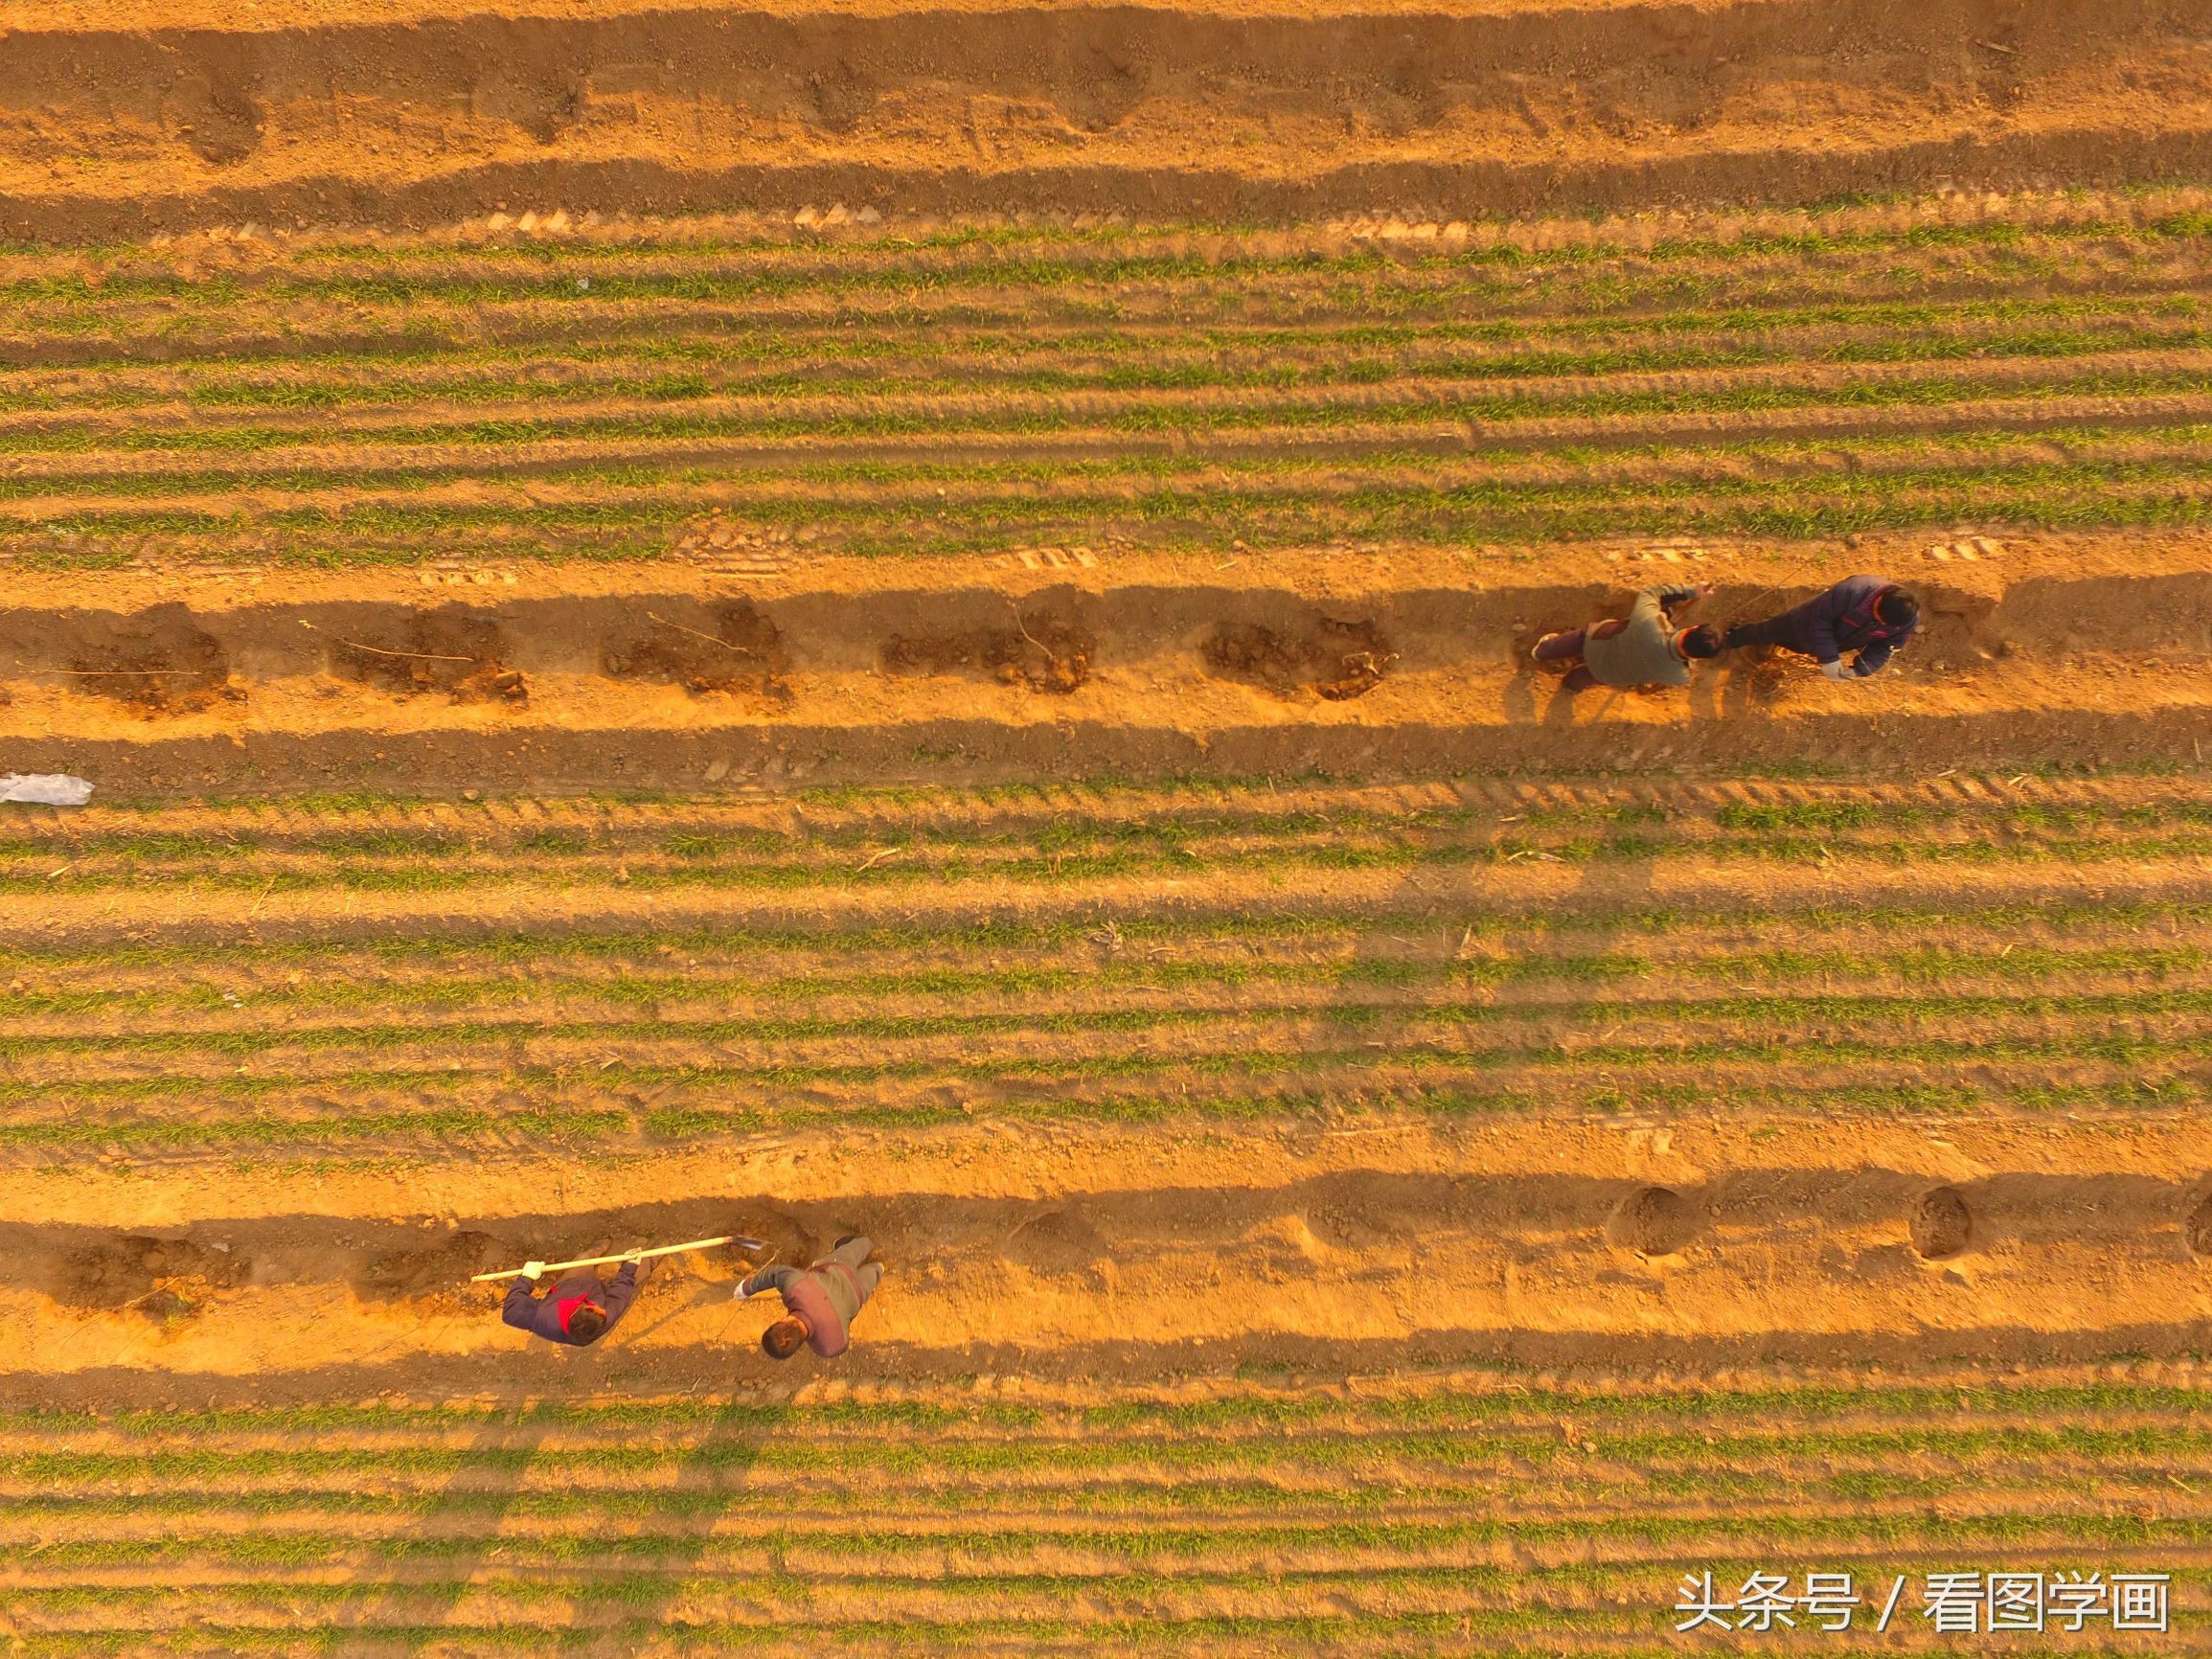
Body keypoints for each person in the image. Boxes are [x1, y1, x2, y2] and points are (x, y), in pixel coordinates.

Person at [1722, 576, 1920, 680]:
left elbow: (1886, 648)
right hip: (1801, 622)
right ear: (1878, 600)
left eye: (1885, 624)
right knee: (1766, 631)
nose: (1880, 624)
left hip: (1831, 643)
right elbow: (1820, 621)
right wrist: (1830, 659)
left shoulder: (1905, 620)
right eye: (1878, 617)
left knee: (1797, 647)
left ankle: (1772, 644)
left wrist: (1861, 669)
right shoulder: (1852, 591)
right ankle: (1733, 638)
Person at [1531, 582, 1720, 692]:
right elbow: (1684, 666)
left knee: (1580, 639)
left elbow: (1653, 593)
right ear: (1697, 657)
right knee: (1586, 677)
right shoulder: (1680, 676)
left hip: (1596, 644)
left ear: (1690, 630)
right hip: (1609, 675)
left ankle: (1542, 652)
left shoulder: (1650, 623)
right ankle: (1569, 685)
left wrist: (1692, 592)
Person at [736, 1235, 881, 1359]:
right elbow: (775, 1273)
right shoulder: (796, 1288)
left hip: (856, 1295)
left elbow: (843, 1344)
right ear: (781, 1321)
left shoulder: (829, 1348)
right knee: (850, 1252)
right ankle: (866, 1242)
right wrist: (746, 1288)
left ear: (797, 1347)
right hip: (839, 1268)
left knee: (871, 1276)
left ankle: (879, 1268)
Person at [502, 1254, 651, 1347]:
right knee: (638, 1271)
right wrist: (630, 1267)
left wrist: (527, 1277)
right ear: (585, 1306)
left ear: (582, 1307)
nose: (604, 1310)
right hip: (587, 1288)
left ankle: (595, 1251)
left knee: (583, 1258)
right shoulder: (602, 1322)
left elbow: (510, 1312)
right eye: (602, 1309)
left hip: (568, 1288)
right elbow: (619, 1295)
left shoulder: (543, 1316)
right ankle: (654, 1256)